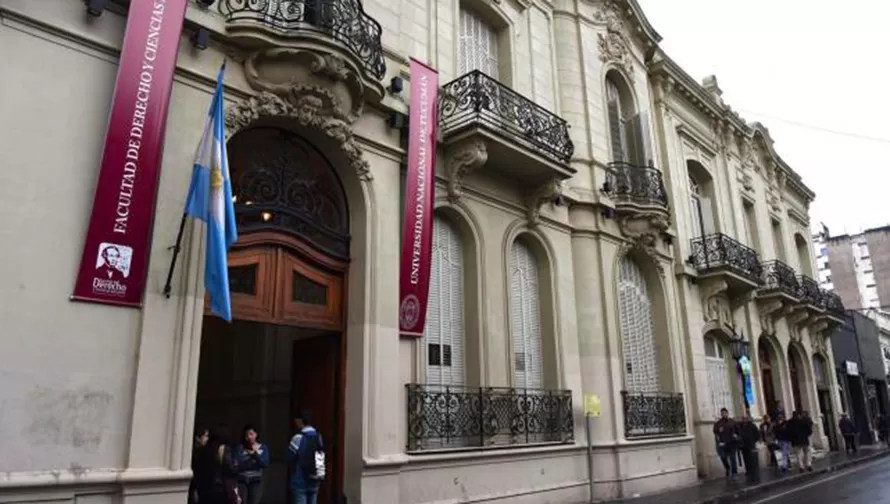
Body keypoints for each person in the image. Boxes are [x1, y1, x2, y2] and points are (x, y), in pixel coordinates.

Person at [287, 412, 324, 504]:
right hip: (315, 477)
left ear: (300, 421)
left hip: (300, 479)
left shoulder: (298, 438)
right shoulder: (318, 436)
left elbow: (289, 457)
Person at [234, 425, 270, 504]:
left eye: (251, 434)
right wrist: (252, 463)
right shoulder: (240, 448)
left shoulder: (263, 448)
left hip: (256, 480)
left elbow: (264, 464)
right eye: (246, 435)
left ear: (256, 434)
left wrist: (254, 455)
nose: (249, 437)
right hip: (242, 480)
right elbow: (238, 463)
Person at [190, 426, 215, 504]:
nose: (207, 439)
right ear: (197, 438)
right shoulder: (194, 452)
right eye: (205, 436)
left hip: (204, 487)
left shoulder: (205, 451)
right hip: (196, 486)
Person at [713, 408, 739, 477]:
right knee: (723, 457)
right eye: (722, 413)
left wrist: (736, 435)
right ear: (721, 414)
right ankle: (727, 468)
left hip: (732, 442)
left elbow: (737, 430)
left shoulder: (732, 421)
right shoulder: (718, 423)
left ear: (727, 413)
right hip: (723, 443)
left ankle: (734, 472)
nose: (724, 414)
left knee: (732, 458)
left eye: (725, 413)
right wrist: (718, 430)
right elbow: (715, 431)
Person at [738, 415, 761, 483]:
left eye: (745, 419)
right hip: (744, 446)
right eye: (743, 419)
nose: (744, 420)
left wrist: (753, 441)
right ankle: (749, 472)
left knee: (753, 461)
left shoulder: (752, 426)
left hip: (751, 445)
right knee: (746, 460)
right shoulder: (741, 426)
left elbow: (757, 435)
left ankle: (754, 475)